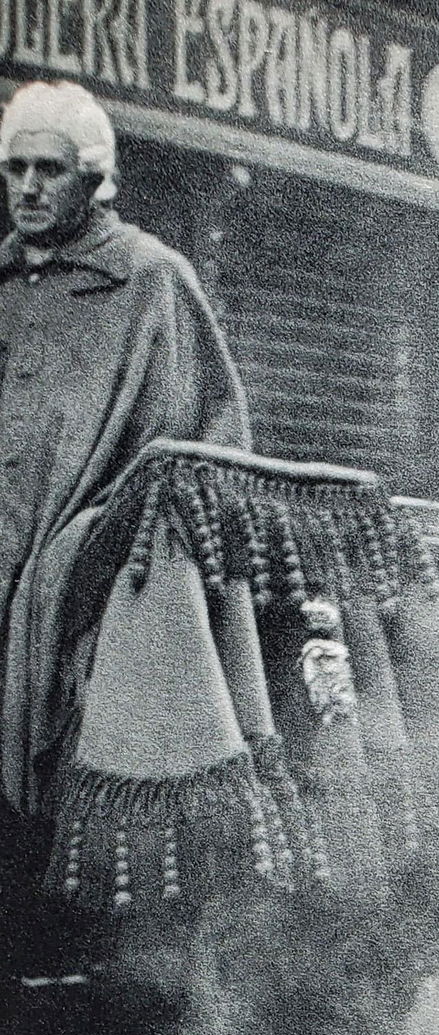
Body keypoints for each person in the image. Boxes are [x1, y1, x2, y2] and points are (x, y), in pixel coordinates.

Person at [0, 81, 249, 849]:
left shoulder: (151, 279)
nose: (29, 188)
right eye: (15, 168)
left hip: (93, 589)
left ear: (95, 177)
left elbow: (211, 447)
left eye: (50, 169)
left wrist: (102, 544)